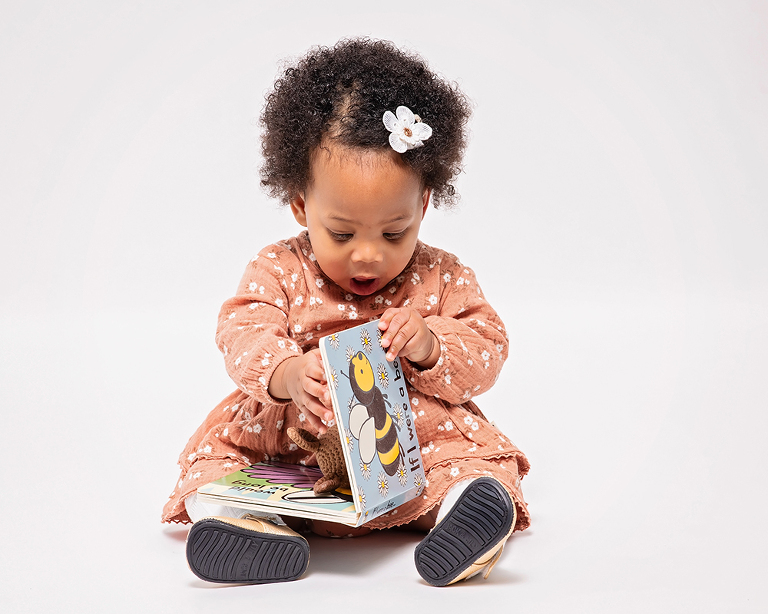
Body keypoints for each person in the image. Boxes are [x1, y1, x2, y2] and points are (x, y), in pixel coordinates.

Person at [162, 38, 530, 587]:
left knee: (467, 463)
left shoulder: (441, 274)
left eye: (393, 231)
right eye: (341, 233)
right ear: (300, 204)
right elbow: (243, 328)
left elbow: (488, 345)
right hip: (293, 444)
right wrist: (285, 374)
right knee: (215, 469)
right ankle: (245, 524)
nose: (368, 254)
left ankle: (464, 514)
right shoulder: (280, 267)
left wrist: (432, 344)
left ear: (424, 204)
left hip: (409, 443)